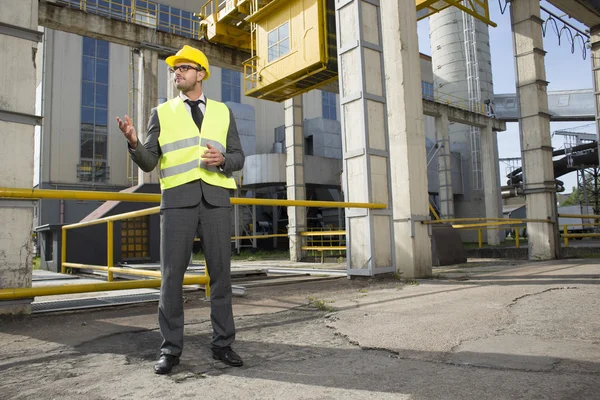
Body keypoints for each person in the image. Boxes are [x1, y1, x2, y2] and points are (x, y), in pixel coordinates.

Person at [116, 45, 245, 374]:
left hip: (215, 200)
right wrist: (133, 142)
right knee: (171, 278)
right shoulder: (161, 113)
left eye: (185, 68)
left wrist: (223, 161)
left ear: (200, 74)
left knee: (221, 277)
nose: (177, 72)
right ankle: (171, 349)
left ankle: (223, 344)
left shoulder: (222, 112)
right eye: (175, 69)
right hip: (177, 202)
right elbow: (149, 160)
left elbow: (238, 157)